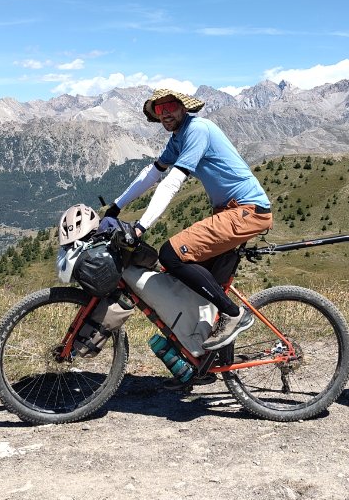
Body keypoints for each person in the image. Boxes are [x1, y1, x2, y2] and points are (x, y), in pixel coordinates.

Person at [103, 88, 273, 351]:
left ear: (183, 107)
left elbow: (172, 181)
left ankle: (232, 313)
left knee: (171, 254)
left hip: (247, 211)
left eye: (170, 106)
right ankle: (208, 360)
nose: (166, 113)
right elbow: (153, 174)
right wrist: (116, 206)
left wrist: (140, 226)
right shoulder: (177, 138)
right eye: (159, 110)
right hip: (230, 212)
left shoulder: (197, 130)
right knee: (197, 282)